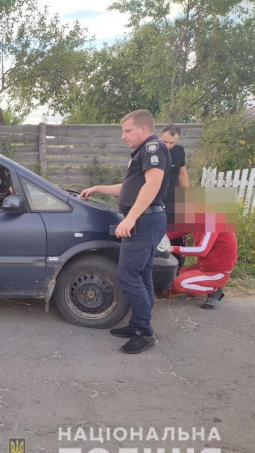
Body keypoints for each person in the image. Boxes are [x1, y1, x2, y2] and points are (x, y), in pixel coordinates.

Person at [80, 109, 170, 354]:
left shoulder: (154, 148)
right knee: (142, 276)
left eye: (127, 130)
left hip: (144, 221)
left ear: (144, 128)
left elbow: (152, 185)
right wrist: (98, 188)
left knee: (128, 275)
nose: (123, 136)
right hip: (147, 220)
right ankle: (138, 324)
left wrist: (130, 219)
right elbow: (129, 187)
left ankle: (145, 332)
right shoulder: (143, 152)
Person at [159, 124, 190, 268]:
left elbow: (182, 173)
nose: (169, 146)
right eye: (165, 142)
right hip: (155, 200)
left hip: (173, 198)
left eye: (173, 143)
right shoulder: (151, 150)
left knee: (176, 235)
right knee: (160, 234)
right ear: (159, 136)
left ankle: (178, 268)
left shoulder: (179, 151)